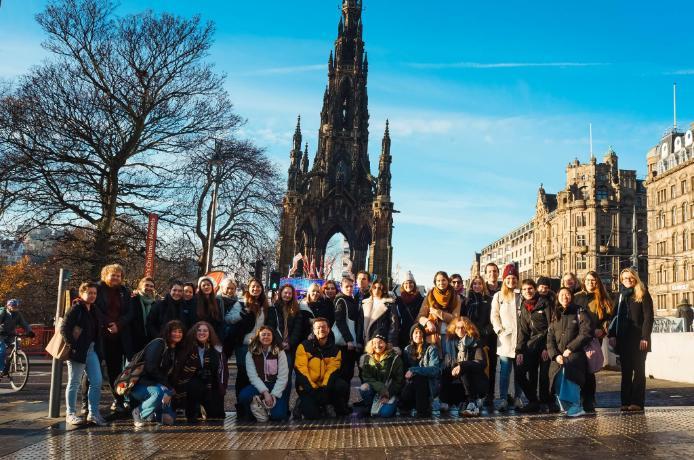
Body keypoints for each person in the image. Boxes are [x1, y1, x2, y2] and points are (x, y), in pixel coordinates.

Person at [608, 267, 654, 412]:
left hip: (639, 339)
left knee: (639, 371)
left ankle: (637, 402)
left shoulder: (643, 293)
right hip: (623, 339)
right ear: (621, 281)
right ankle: (625, 402)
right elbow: (613, 317)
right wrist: (612, 335)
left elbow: (648, 318)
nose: (627, 280)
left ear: (635, 278)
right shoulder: (620, 295)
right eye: (624, 278)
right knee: (626, 372)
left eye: (630, 277)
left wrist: (645, 337)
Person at [62, 283, 105, 426]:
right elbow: (65, 329)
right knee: (74, 382)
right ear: (82, 293)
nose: (92, 295)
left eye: (94, 293)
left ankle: (93, 413)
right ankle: (71, 413)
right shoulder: (76, 309)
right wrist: (73, 347)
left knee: (97, 381)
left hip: (91, 350)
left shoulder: (94, 309)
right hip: (78, 351)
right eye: (89, 293)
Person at [94, 263, 133, 414]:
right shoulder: (97, 289)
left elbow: (130, 312)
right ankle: (87, 405)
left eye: (119, 275)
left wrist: (118, 324)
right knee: (92, 373)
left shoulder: (124, 291)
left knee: (115, 371)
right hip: (100, 336)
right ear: (105, 275)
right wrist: (107, 324)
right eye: (113, 275)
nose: (116, 278)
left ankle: (118, 400)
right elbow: (95, 308)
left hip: (118, 337)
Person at [130, 320, 184, 427]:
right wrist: (167, 388)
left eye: (180, 331)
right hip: (142, 384)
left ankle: (154, 414)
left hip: (159, 385)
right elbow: (151, 368)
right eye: (174, 331)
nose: (177, 334)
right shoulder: (158, 344)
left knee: (169, 420)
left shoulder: (174, 349)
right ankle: (139, 412)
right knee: (158, 393)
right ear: (167, 332)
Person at [547, 287, 592, 417]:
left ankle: (576, 407)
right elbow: (550, 338)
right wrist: (555, 355)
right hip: (558, 357)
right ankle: (566, 407)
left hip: (574, 356)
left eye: (567, 294)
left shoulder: (580, 311)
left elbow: (586, 333)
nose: (564, 297)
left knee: (571, 380)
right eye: (561, 295)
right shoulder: (555, 314)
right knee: (557, 380)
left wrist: (570, 349)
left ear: (571, 296)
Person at [294, 317, 349, 419]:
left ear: (329, 329)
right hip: (308, 387)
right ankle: (301, 403)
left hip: (325, 386)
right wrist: (312, 389)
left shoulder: (335, 350)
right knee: (312, 416)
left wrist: (324, 388)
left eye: (324, 327)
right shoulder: (303, 346)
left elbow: (332, 371)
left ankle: (330, 404)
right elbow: (301, 370)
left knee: (341, 385)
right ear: (313, 330)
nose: (321, 329)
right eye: (318, 327)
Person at [574, 271, 614, 413]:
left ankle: (588, 400)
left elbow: (609, 319)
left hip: (594, 339)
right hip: (578, 338)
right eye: (588, 280)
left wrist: (603, 331)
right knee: (579, 369)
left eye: (594, 280)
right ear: (584, 281)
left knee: (589, 370)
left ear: (598, 282)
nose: (591, 283)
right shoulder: (577, 297)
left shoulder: (603, 299)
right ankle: (579, 399)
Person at [227, 278, 268, 410]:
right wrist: (240, 315)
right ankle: (241, 405)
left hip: (260, 344)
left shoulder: (266, 305)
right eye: (253, 287)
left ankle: (254, 404)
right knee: (243, 374)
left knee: (258, 375)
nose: (256, 289)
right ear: (248, 289)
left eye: (258, 287)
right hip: (244, 345)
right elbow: (228, 319)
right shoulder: (241, 303)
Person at [175, 321, 226, 422]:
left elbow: (221, 370)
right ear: (194, 332)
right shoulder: (187, 347)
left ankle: (206, 408)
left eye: (205, 331)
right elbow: (180, 370)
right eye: (199, 330)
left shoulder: (215, 348)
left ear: (209, 333)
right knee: (195, 386)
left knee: (217, 415)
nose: (202, 333)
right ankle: (193, 410)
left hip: (209, 381)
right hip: (190, 381)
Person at [515, 279, 553, 413]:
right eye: (524, 289)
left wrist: (546, 348)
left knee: (543, 376)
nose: (527, 291)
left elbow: (551, 327)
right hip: (530, 346)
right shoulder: (523, 306)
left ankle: (544, 402)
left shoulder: (545, 303)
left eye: (530, 288)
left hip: (544, 345)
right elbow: (523, 331)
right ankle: (533, 400)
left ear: (535, 289)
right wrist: (519, 351)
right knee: (519, 373)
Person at [239, 326, 291, 421]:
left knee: (278, 416)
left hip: (276, 385)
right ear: (258, 337)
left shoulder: (279, 352)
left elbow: (283, 377)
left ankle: (269, 407)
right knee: (243, 396)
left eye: (268, 335)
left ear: (273, 337)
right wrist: (265, 393)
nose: (266, 337)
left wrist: (274, 395)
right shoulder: (251, 353)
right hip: (260, 385)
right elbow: (253, 376)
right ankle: (256, 408)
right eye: (263, 335)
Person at [490, 264, 523, 412]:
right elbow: (494, 315)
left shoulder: (521, 295)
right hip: (505, 339)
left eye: (514, 278)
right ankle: (503, 398)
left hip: (520, 339)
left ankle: (517, 397)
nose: (511, 280)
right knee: (504, 372)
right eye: (508, 278)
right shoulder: (498, 296)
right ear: (504, 279)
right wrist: (499, 330)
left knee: (520, 371)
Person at [358, 333, 404, 418]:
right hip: (376, 390)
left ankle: (394, 404)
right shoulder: (367, 358)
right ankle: (369, 406)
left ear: (386, 343)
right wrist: (381, 388)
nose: (377, 345)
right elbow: (367, 377)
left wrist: (388, 394)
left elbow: (399, 380)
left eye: (380, 342)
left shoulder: (395, 358)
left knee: (385, 414)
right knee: (364, 387)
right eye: (374, 343)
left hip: (390, 390)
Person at [450, 317, 488, 417]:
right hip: (459, 381)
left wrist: (462, 365)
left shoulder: (475, 342)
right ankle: (452, 402)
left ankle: (472, 403)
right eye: (457, 327)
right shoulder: (453, 343)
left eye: (463, 327)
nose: (460, 330)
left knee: (464, 369)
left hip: (475, 379)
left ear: (468, 328)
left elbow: (481, 363)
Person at [399, 324, 439, 417]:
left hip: (428, 385)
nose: (419, 335)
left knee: (419, 379)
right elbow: (405, 370)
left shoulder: (431, 348)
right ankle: (409, 406)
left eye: (421, 332)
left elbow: (434, 370)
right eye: (416, 332)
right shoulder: (407, 349)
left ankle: (422, 411)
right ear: (411, 335)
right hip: (410, 385)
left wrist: (414, 370)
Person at [418, 271, 461, 351]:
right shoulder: (429, 296)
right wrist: (428, 322)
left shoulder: (456, 297)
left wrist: (437, 312)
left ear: (448, 281)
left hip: (449, 336)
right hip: (433, 335)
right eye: (438, 281)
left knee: (449, 362)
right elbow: (420, 316)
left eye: (444, 280)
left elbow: (455, 319)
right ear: (435, 282)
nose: (441, 282)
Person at [333, 277, 363, 384]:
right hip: (345, 344)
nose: (349, 289)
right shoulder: (341, 300)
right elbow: (340, 321)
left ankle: (344, 400)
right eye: (347, 286)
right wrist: (348, 339)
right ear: (341, 287)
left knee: (348, 374)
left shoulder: (351, 299)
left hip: (349, 343)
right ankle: (341, 400)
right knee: (344, 373)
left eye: (351, 286)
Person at [362, 280, 400, 352]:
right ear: (371, 288)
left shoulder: (389, 304)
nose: (376, 290)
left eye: (379, 288)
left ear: (384, 290)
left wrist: (390, 342)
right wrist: (358, 341)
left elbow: (394, 325)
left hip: (381, 341)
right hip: (366, 340)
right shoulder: (365, 303)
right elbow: (360, 324)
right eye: (374, 287)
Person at [0, 299, 34, 377]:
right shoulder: (3, 312)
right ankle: (1, 370)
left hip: (11, 334)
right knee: (2, 351)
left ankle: (9, 363)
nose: (15, 308)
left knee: (16, 347)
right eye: (13, 306)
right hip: (1, 334)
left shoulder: (18, 314)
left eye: (16, 306)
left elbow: (24, 323)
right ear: (8, 306)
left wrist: (30, 331)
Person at [483, 263, 501, 408]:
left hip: (502, 331)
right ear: (486, 273)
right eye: (489, 271)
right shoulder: (482, 291)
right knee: (489, 365)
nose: (492, 274)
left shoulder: (503, 289)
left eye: (494, 271)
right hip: (487, 334)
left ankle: (505, 394)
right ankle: (488, 394)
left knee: (505, 365)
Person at [395, 271, 424, 350]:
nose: (408, 285)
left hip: (416, 333)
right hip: (402, 334)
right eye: (406, 283)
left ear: (414, 284)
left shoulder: (420, 299)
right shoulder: (398, 300)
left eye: (411, 282)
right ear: (403, 285)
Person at [131, 277, 157, 354]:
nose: (149, 288)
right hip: (134, 340)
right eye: (146, 285)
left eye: (151, 286)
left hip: (149, 340)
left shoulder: (154, 303)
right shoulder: (133, 299)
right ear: (141, 286)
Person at [194, 276, 224, 341]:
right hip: (199, 335)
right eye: (204, 285)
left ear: (212, 286)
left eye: (208, 285)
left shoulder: (217, 301)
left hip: (213, 336)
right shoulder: (195, 301)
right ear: (200, 288)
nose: (206, 287)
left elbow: (219, 320)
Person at [218, 278, 241, 356]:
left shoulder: (238, 303)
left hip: (231, 338)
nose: (230, 291)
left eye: (232, 288)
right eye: (228, 288)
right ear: (222, 288)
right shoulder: (216, 300)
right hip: (218, 335)